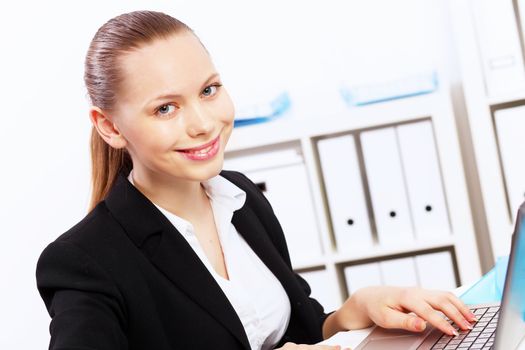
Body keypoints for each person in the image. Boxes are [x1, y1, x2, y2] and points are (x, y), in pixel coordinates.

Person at [35, 10, 478, 350]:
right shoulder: (83, 263)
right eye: (165, 108)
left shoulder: (240, 196)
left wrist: (352, 312)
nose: (204, 124)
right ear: (109, 127)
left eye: (208, 90)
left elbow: (297, 331)